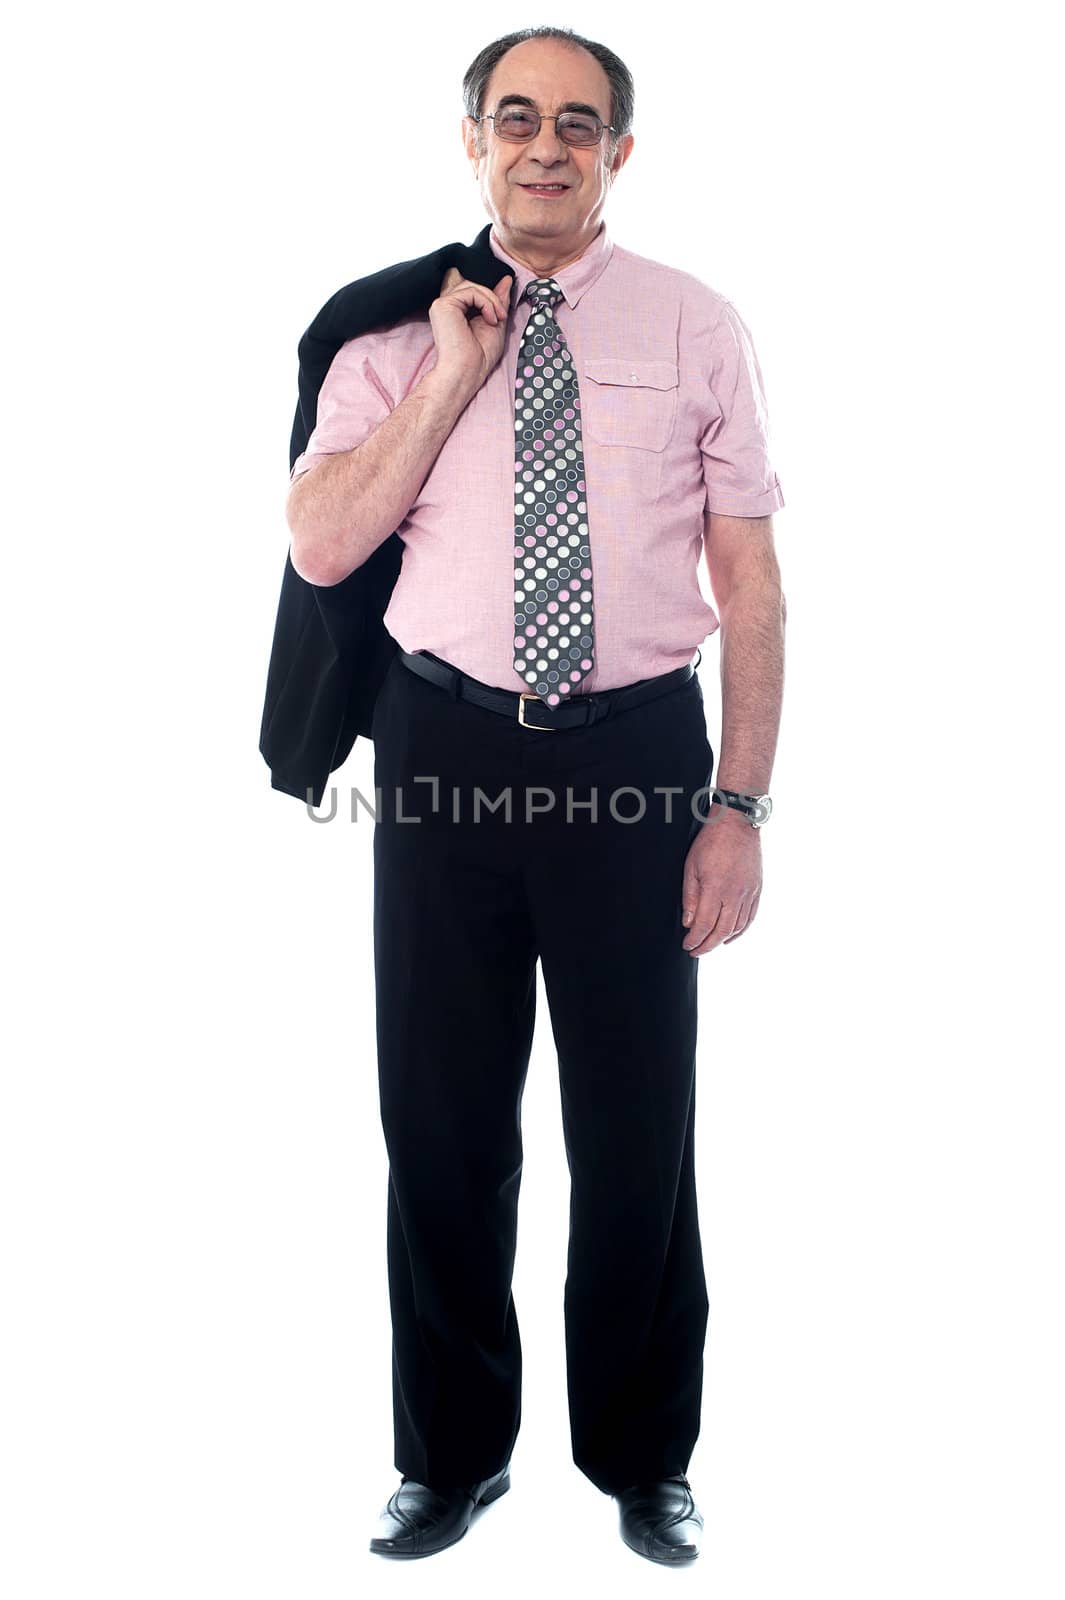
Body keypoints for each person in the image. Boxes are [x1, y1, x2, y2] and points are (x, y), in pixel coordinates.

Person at [285, 25, 786, 1566]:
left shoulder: (698, 325)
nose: (546, 145)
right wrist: (455, 370)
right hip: (441, 758)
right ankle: (449, 1457)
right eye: (517, 119)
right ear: (472, 141)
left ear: (619, 151)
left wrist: (737, 807)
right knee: (439, 1128)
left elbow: (754, 594)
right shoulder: (385, 333)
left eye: (579, 123)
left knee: (637, 1132)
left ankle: (643, 1459)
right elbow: (320, 545)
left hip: (637, 760)